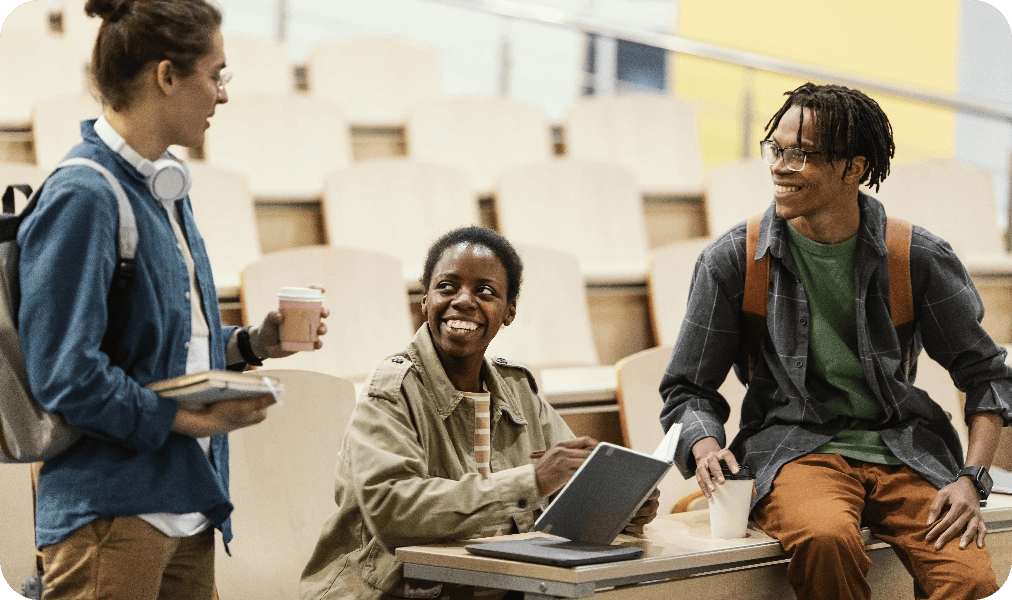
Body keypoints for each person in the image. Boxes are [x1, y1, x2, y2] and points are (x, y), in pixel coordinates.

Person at [17, 1, 328, 598]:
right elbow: (67, 377)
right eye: (216, 75)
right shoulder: (84, 195)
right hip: (112, 516)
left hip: (186, 503)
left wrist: (250, 344)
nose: (222, 95)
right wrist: (194, 422)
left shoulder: (164, 187)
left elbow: (159, 347)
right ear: (166, 76)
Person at [659, 82, 1011, 600]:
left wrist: (972, 478)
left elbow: (987, 377)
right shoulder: (734, 258)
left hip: (905, 448)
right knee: (826, 539)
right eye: (775, 150)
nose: (779, 166)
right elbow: (687, 388)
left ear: (854, 168)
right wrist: (705, 443)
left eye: (799, 154)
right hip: (794, 448)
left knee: (970, 580)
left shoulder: (916, 256)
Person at [300, 226, 659, 600]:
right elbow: (392, 509)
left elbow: (570, 482)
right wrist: (530, 481)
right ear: (425, 300)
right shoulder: (391, 389)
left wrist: (621, 505)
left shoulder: (518, 388)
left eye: (485, 292)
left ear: (509, 311)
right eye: (447, 287)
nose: (463, 301)